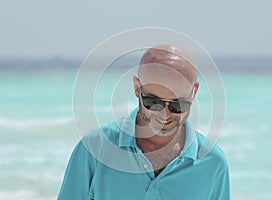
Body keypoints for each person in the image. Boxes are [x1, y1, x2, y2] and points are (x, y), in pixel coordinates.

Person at [58, 44, 230, 200]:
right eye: (154, 102)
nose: (164, 114)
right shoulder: (95, 148)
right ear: (137, 88)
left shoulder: (213, 163)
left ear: (194, 92)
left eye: (178, 105)